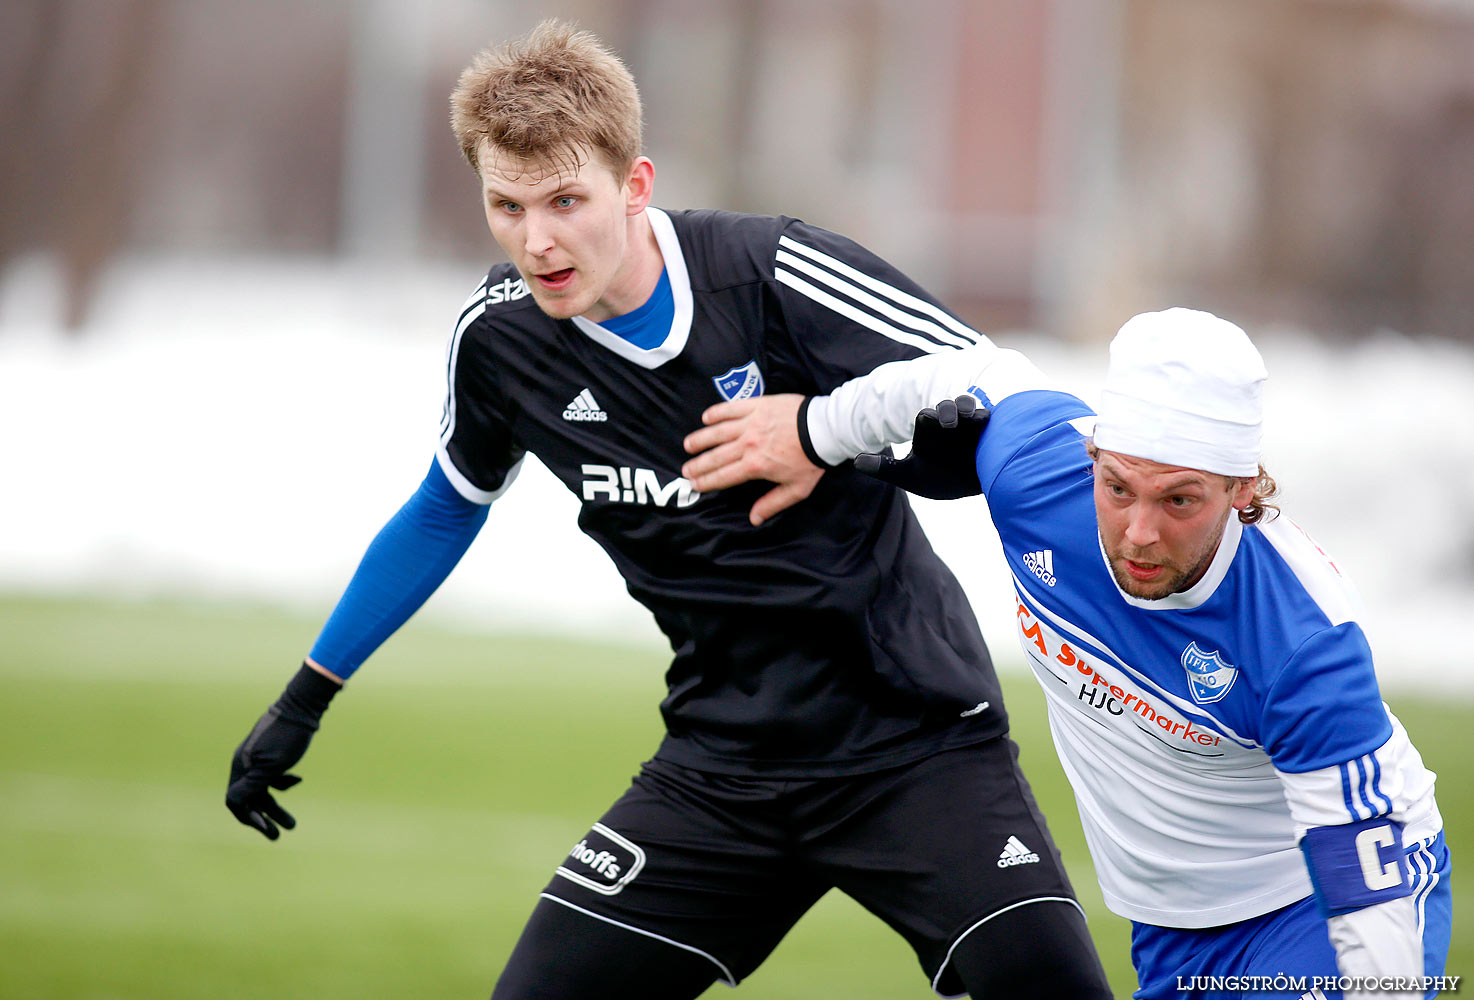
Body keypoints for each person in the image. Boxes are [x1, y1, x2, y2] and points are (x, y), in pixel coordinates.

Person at [224, 19, 1114, 999]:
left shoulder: (772, 275)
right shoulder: (502, 337)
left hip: (915, 748)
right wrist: (304, 698)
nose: (538, 239)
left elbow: (1003, 387)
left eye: (566, 200)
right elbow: (446, 508)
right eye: (507, 205)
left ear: (634, 185)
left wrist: (820, 427)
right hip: (722, 766)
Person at [694, 306, 1450, 1000]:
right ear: (1091, 454)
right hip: (1171, 930)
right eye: (1118, 487)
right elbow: (962, 369)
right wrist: (812, 434)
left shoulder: (1302, 641)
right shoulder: (1039, 474)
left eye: (1180, 500)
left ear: (1244, 488)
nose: (1138, 533)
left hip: (1311, 905)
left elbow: (1367, 875)